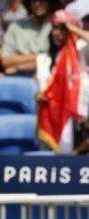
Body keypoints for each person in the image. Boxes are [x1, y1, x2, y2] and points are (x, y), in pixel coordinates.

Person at [37, 9, 89, 153]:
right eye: (54, 28)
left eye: (62, 29)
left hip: (80, 115)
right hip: (55, 115)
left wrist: (72, 27)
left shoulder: (81, 50)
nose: (56, 33)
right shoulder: (46, 58)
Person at [2, 0, 56, 75]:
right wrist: (40, 57)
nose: (38, 3)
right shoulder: (16, 27)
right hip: (20, 77)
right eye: (34, 1)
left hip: (50, 76)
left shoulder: (57, 26)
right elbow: (6, 60)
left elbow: (55, 59)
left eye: (43, 0)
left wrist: (21, 67)